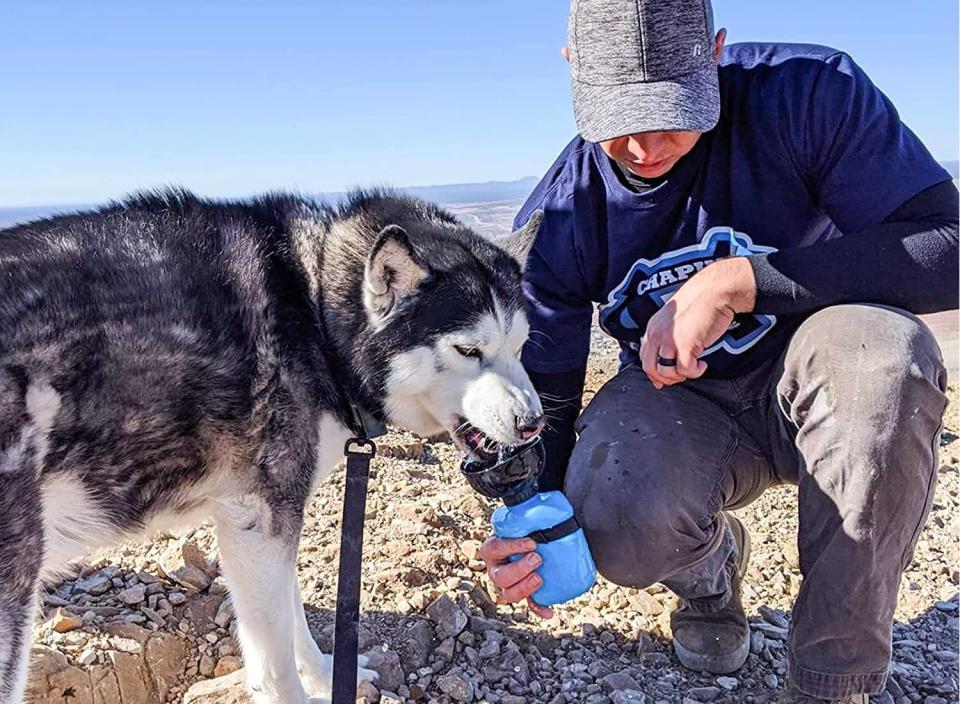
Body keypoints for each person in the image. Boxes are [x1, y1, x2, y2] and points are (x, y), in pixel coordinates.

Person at [479, 0, 959, 702]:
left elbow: (945, 252)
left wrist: (742, 281)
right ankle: (712, 577)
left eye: (675, 109)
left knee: (883, 358)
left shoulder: (806, 94)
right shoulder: (561, 213)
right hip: (686, 406)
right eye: (617, 119)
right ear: (573, 70)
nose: (645, 145)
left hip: (828, 377)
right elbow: (544, 397)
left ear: (715, 52)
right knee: (609, 508)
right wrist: (526, 522)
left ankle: (832, 682)